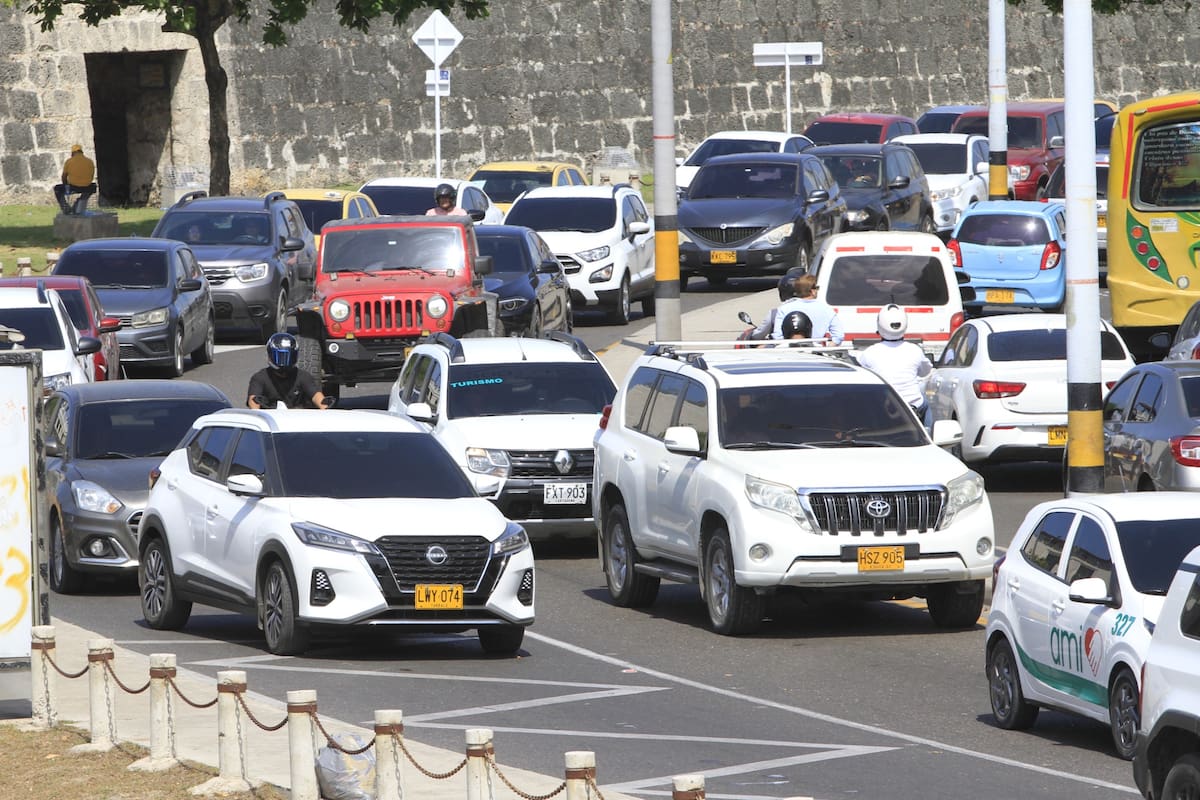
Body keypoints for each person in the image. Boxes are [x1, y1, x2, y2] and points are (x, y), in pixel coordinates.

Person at [856, 304, 932, 423]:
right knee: (925, 402)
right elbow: (926, 371)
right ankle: (930, 436)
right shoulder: (915, 350)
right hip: (913, 407)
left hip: (882, 408)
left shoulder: (869, 353)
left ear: (880, 324)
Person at [247, 332, 328, 410]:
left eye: (287, 356)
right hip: (271, 419)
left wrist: (324, 407)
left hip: (298, 419)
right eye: (280, 356)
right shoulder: (259, 378)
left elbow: (317, 396)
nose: (283, 361)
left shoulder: (304, 377)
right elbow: (253, 400)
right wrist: (256, 410)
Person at [770, 274, 844, 344]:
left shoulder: (784, 308)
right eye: (817, 288)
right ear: (812, 291)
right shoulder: (826, 309)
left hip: (789, 352)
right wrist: (829, 347)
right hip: (815, 352)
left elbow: (777, 336)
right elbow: (838, 335)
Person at [53, 144, 96, 215]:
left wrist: (66, 185)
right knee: (91, 188)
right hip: (88, 186)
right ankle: (79, 204)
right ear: (82, 152)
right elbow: (91, 175)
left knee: (57, 188)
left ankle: (65, 208)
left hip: (73, 186)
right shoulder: (90, 161)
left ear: (72, 153)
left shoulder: (69, 161)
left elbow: (64, 176)